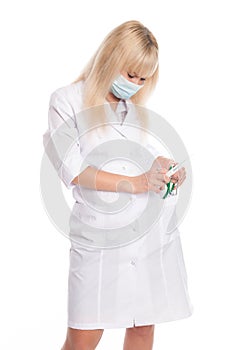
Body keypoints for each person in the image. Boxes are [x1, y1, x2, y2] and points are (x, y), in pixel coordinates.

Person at [43, 20, 193, 350]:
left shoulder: (134, 111)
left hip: (148, 238)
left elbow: (144, 159)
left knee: (142, 328)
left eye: (142, 79)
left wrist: (166, 169)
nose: (136, 84)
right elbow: (73, 170)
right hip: (100, 240)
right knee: (83, 336)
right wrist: (137, 183)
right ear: (110, 58)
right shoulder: (66, 101)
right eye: (130, 75)